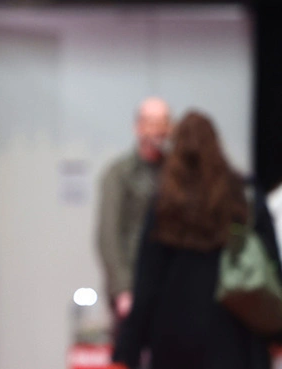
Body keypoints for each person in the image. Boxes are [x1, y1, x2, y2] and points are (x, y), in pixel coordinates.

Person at [110, 111, 282, 369]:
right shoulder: (244, 197)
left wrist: (126, 352)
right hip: (239, 337)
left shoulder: (164, 206)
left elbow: (147, 284)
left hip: (174, 343)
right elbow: (271, 267)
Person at [96, 97, 171, 332]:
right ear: (138, 126)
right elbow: (108, 234)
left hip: (168, 285)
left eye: (162, 123)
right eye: (150, 122)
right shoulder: (119, 173)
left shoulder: (175, 173)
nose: (156, 130)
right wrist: (122, 289)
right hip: (133, 282)